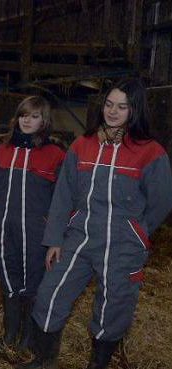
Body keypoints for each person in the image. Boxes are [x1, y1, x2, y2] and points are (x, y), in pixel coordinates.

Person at [16, 79, 172, 369]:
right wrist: (54, 239)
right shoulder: (82, 145)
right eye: (109, 105)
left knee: (113, 307)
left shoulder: (150, 152)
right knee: (49, 294)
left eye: (122, 107)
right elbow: (64, 195)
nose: (112, 112)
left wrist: (137, 233)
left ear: (134, 110)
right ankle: (44, 359)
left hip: (122, 245)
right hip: (80, 237)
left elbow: (161, 202)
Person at [0, 96, 65, 350]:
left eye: (34, 116)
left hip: (35, 231)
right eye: (23, 115)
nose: (27, 120)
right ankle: (9, 335)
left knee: (32, 282)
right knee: (7, 278)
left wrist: (54, 233)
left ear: (44, 121)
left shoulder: (55, 156)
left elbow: (61, 199)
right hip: (3, 228)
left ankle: (27, 339)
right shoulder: (1, 152)